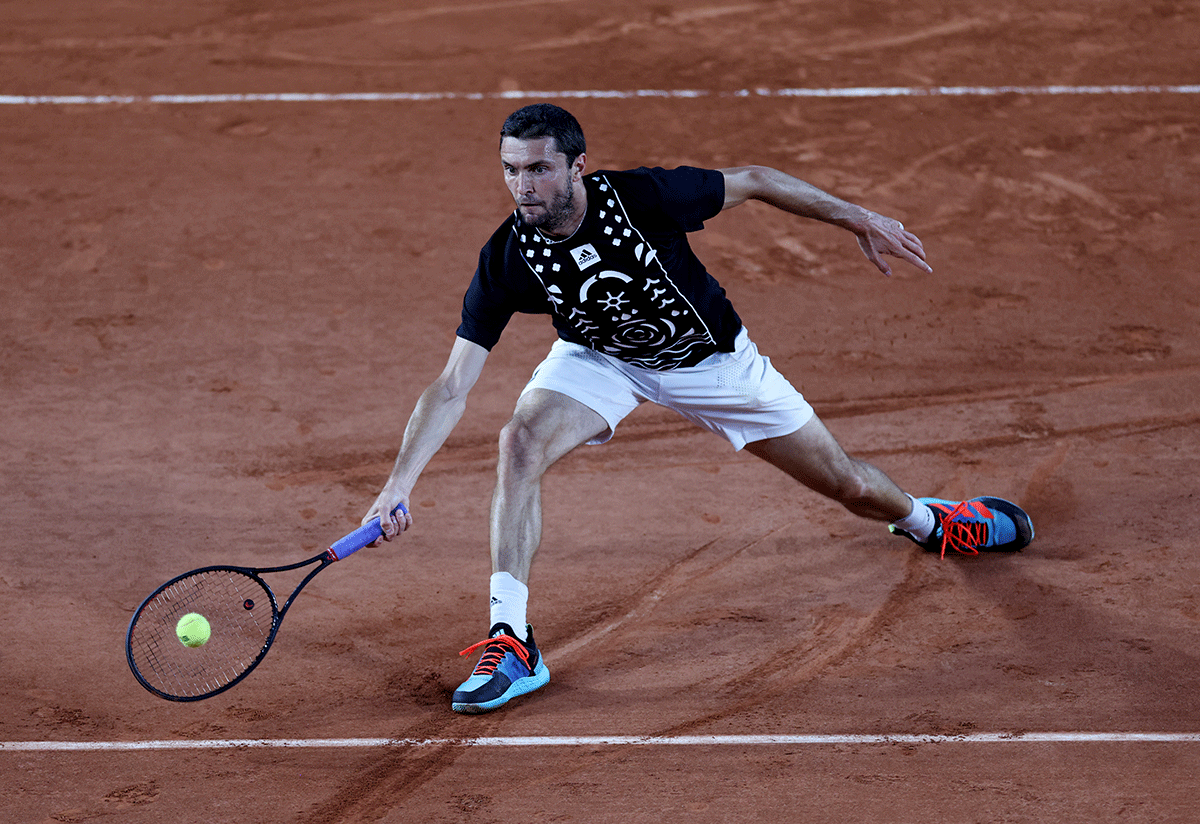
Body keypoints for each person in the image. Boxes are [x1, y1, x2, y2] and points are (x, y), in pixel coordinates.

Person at [362, 103, 1034, 715]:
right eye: (512, 170)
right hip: (603, 360)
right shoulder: (510, 255)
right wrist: (398, 483)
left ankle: (928, 522)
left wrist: (856, 216)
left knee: (850, 484)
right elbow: (453, 384)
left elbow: (756, 178)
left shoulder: (643, 197)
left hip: (714, 365)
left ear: (576, 167)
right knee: (519, 442)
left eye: (539, 169)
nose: (524, 186)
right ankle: (513, 641)